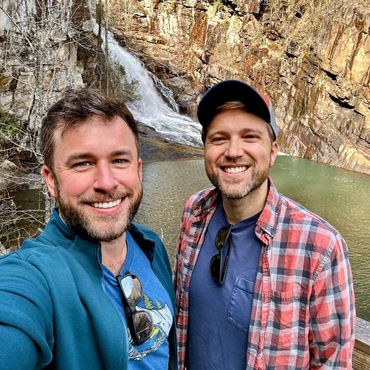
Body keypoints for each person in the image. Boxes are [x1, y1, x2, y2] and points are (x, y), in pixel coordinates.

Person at [173, 80, 356, 369]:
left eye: (249, 137)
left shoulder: (321, 246)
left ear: (272, 151)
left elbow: (332, 361)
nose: (233, 151)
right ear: (205, 149)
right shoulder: (194, 213)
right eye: (219, 138)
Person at [0, 89, 177, 370]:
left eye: (120, 160)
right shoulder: (36, 278)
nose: (106, 183)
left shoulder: (151, 246)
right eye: (82, 163)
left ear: (139, 171)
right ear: (51, 181)